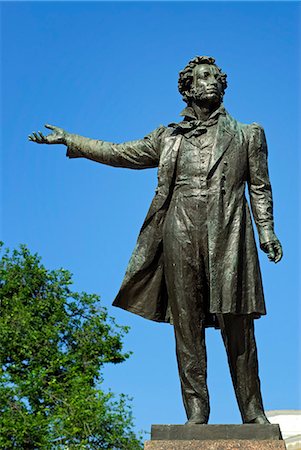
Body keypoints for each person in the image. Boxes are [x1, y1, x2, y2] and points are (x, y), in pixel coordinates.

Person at [29, 55, 283, 425]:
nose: (212, 81)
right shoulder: (167, 137)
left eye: (216, 77)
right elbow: (120, 153)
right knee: (187, 324)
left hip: (230, 233)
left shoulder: (248, 134)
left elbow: (260, 186)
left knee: (238, 323)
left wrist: (267, 229)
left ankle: (253, 411)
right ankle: (197, 412)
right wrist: (73, 140)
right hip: (179, 231)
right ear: (188, 88)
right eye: (203, 77)